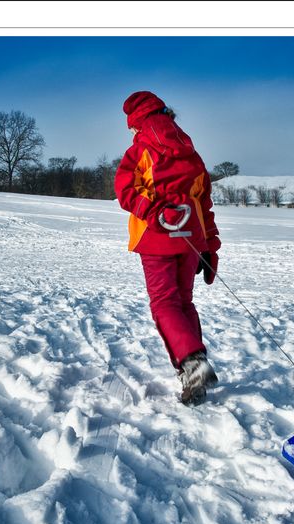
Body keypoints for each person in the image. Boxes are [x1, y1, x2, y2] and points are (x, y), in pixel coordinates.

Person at [114, 90, 221, 405]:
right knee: (183, 303)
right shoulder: (191, 152)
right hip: (191, 240)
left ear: (138, 123)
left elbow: (125, 190)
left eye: (132, 127)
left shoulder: (140, 150)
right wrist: (209, 245)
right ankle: (193, 370)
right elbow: (204, 202)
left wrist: (154, 211)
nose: (132, 132)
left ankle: (192, 363)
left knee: (164, 304)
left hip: (157, 236)